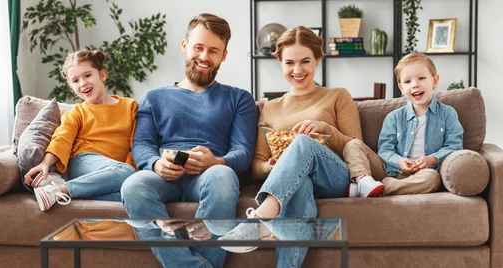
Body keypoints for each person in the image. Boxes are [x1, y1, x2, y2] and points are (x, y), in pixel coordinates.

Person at [120, 13, 258, 268]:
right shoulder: (154, 97)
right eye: (198, 47)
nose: (205, 57)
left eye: (214, 51)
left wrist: (216, 161)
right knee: (132, 186)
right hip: (164, 177)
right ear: (185, 46)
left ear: (223, 56)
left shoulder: (239, 99)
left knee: (222, 175)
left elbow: (243, 152)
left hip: (209, 176)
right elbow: (142, 144)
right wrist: (154, 163)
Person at [219, 26, 362, 266]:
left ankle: (260, 220)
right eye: (289, 63)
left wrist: (324, 129)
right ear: (280, 63)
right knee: (299, 185)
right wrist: (272, 167)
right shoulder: (270, 108)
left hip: (334, 178)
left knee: (302, 142)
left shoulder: (337, 95)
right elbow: (256, 165)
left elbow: (357, 146)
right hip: (291, 183)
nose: (297, 70)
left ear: (317, 59)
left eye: (305, 61)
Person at [23, 50, 138, 212]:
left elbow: (137, 142)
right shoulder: (77, 112)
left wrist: (131, 174)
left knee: (132, 192)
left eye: (87, 76)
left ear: (102, 75)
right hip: (84, 160)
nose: (82, 83)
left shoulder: (130, 106)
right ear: (72, 87)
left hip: (114, 171)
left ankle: (74, 192)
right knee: (126, 172)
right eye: (75, 80)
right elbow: (62, 138)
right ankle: (57, 190)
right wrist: (45, 164)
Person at [344, 52, 463, 197]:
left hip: (423, 174)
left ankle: (382, 188)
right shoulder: (393, 117)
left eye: (421, 78)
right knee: (353, 144)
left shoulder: (447, 114)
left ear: (435, 80)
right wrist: (399, 161)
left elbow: (455, 146)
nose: (415, 85)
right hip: (391, 169)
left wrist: (432, 159)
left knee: (433, 178)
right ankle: (364, 182)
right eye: (408, 82)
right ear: (401, 88)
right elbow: (385, 150)